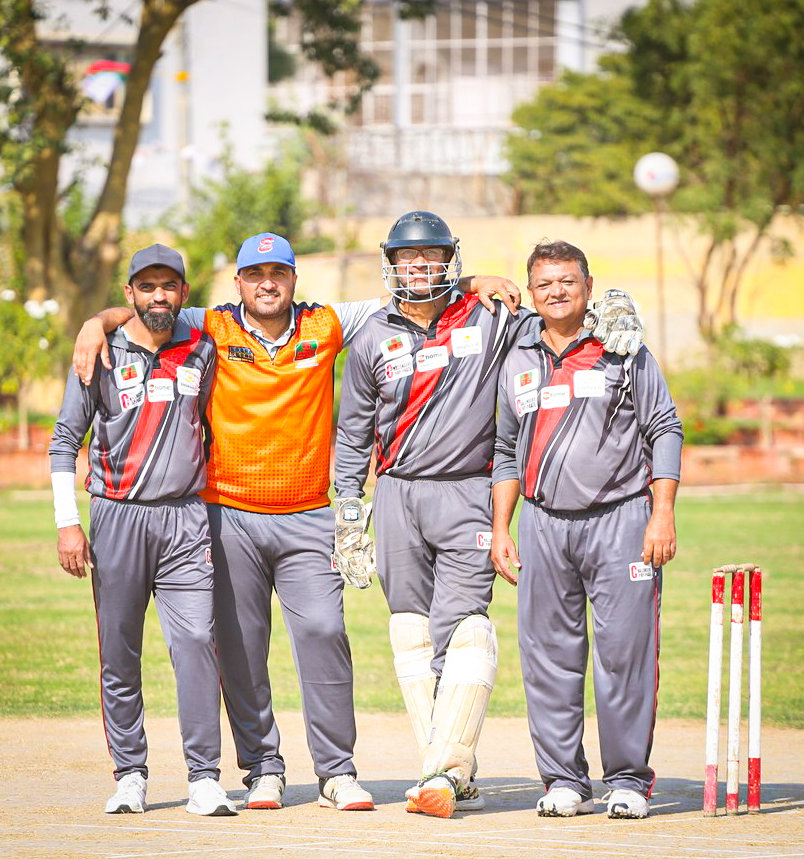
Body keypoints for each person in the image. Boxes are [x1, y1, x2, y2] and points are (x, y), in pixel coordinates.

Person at [70, 232, 517, 813]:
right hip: (228, 514)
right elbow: (151, 308)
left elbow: (412, 294)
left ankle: (337, 771)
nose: (267, 284)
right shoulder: (211, 325)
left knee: (325, 634)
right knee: (240, 649)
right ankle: (263, 769)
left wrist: (472, 282)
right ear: (238, 283)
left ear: (293, 279)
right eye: (255, 275)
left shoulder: (327, 324)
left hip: (308, 515)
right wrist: (95, 323)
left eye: (278, 273)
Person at [333, 213, 645, 819]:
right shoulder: (371, 334)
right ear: (390, 263)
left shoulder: (493, 317)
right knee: (411, 632)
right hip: (395, 492)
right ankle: (448, 770)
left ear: (450, 259)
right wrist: (348, 511)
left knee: (465, 625)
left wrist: (612, 306)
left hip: (468, 491)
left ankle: (443, 772)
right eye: (406, 257)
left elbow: (560, 321)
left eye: (430, 255)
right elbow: (352, 433)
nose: (418, 266)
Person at [490, 240, 683, 820]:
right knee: (548, 658)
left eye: (568, 281)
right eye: (545, 283)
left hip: (621, 520)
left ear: (588, 286)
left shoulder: (622, 347)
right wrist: (502, 528)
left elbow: (665, 427)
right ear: (531, 292)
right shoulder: (517, 357)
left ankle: (627, 779)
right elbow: (505, 450)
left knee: (624, 656)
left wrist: (662, 512)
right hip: (543, 523)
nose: (557, 292)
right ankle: (563, 780)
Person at [49, 243, 236, 817]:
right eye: (147, 287)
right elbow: (64, 442)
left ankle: (204, 778)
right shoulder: (101, 350)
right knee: (120, 652)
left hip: (185, 520)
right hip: (117, 518)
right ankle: (130, 774)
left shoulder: (202, 348)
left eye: (169, 286)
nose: (159, 297)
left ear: (183, 292)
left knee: (197, 643)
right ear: (129, 293)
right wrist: (67, 524)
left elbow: (209, 426)